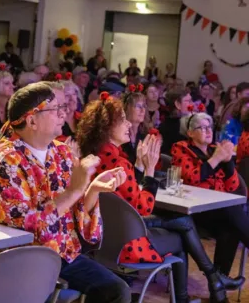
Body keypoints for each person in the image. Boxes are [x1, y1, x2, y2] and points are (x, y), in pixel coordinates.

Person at [76, 95, 243, 303]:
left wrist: (140, 165)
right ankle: (198, 288)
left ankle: (213, 280)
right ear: (107, 127)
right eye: (122, 120)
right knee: (182, 233)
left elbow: (127, 196)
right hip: (126, 242)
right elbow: (143, 207)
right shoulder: (118, 163)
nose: (128, 124)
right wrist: (149, 170)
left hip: (102, 239)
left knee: (183, 222)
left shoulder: (93, 157)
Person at [0, 82, 132, 303]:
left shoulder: (61, 152)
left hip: (61, 252)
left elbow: (73, 212)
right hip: (20, 258)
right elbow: (25, 227)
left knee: (117, 291)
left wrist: (92, 190)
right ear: (32, 120)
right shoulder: (5, 160)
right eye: (55, 109)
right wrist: (73, 191)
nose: (64, 113)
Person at [172, 112, 249, 278]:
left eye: (209, 127)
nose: (208, 131)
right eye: (202, 127)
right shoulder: (181, 149)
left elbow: (233, 186)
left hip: (218, 210)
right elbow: (192, 179)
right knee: (232, 211)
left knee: (230, 227)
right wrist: (216, 159)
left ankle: (219, 284)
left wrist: (227, 162)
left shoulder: (215, 149)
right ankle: (219, 282)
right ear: (190, 133)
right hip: (194, 210)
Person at [159, 88, 193, 155]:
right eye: (188, 101)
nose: (192, 104)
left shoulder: (164, 124)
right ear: (177, 104)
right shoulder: (182, 126)